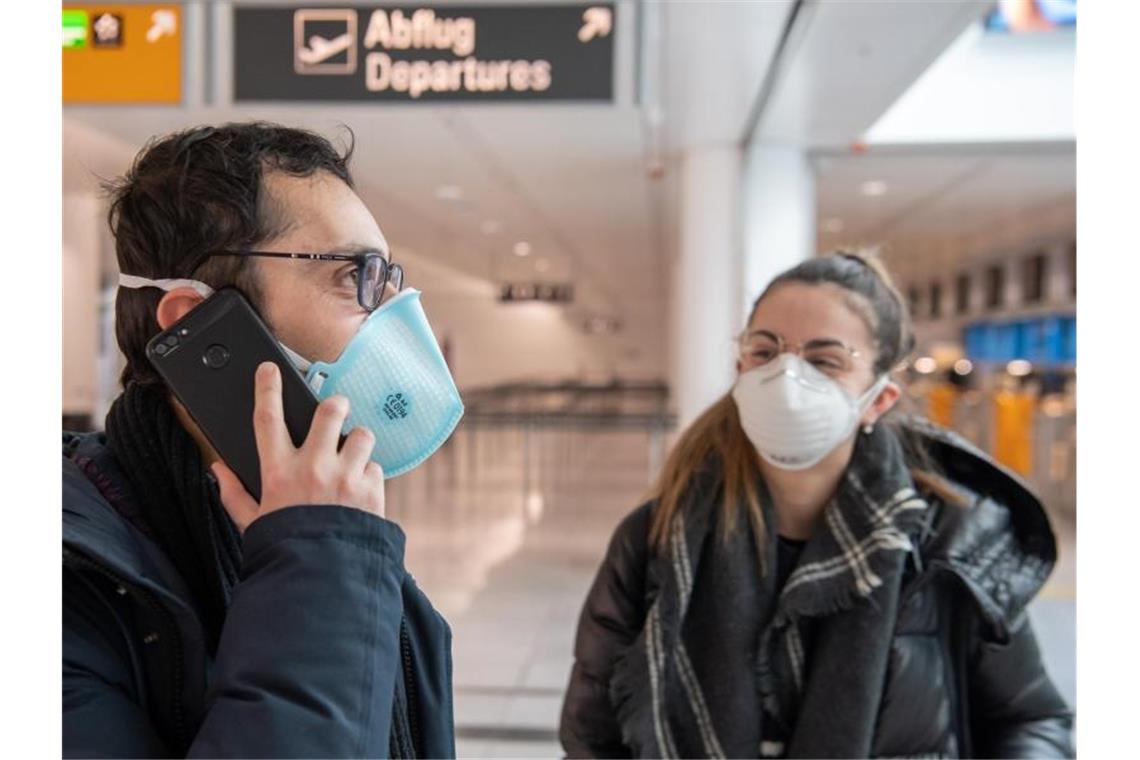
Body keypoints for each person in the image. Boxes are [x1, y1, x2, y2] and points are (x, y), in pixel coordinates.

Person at [559, 251, 1073, 758]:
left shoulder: (952, 543)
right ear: (741, 366)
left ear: (878, 399)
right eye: (765, 351)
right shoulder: (656, 537)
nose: (787, 378)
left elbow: (1028, 718)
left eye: (825, 361)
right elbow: (592, 736)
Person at [63, 123, 456, 757]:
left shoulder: (334, 537)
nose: (392, 311)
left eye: (386, 276)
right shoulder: (67, 586)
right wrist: (321, 564)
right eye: (355, 275)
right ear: (200, 325)